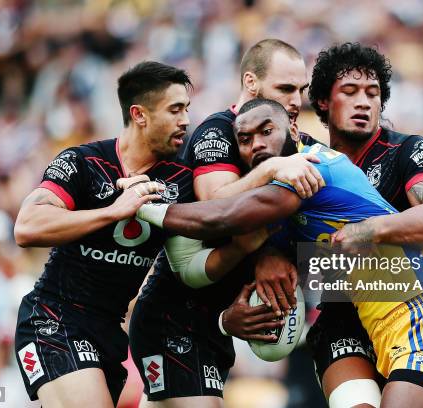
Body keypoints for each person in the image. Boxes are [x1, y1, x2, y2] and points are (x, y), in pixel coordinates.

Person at [132, 98, 423, 408]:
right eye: (246, 139)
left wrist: (144, 205)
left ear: (293, 129)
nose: (258, 145)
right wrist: (225, 319)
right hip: (385, 334)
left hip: (422, 322)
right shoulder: (284, 209)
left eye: (267, 131)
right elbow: (202, 263)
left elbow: (221, 216)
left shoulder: (309, 167)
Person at [12, 61, 264, 408]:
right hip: (55, 317)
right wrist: (114, 210)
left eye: (187, 109)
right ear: (140, 114)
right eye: (175, 110)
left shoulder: (181, 180)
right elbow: (26, 226)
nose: (185, 121)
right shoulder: (84, 162)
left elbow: (207, 234)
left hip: (112, 331)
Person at [127, 39, 328, 408]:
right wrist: (270, 171)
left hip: (216, 322)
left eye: (302, 90)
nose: (297, 100)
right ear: (251, 83)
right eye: (285, 88)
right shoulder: (217, 131)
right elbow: (216, 205)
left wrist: (281, 254)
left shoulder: (303, 146)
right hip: (172, 314)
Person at [306, 42, 423, 408]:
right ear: (322, 101)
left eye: (373, 93)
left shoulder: (406, 151)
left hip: (412, 317)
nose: (364, 102)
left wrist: (371, 229)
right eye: (349, 92)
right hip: (342, 324)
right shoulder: (309, 169)